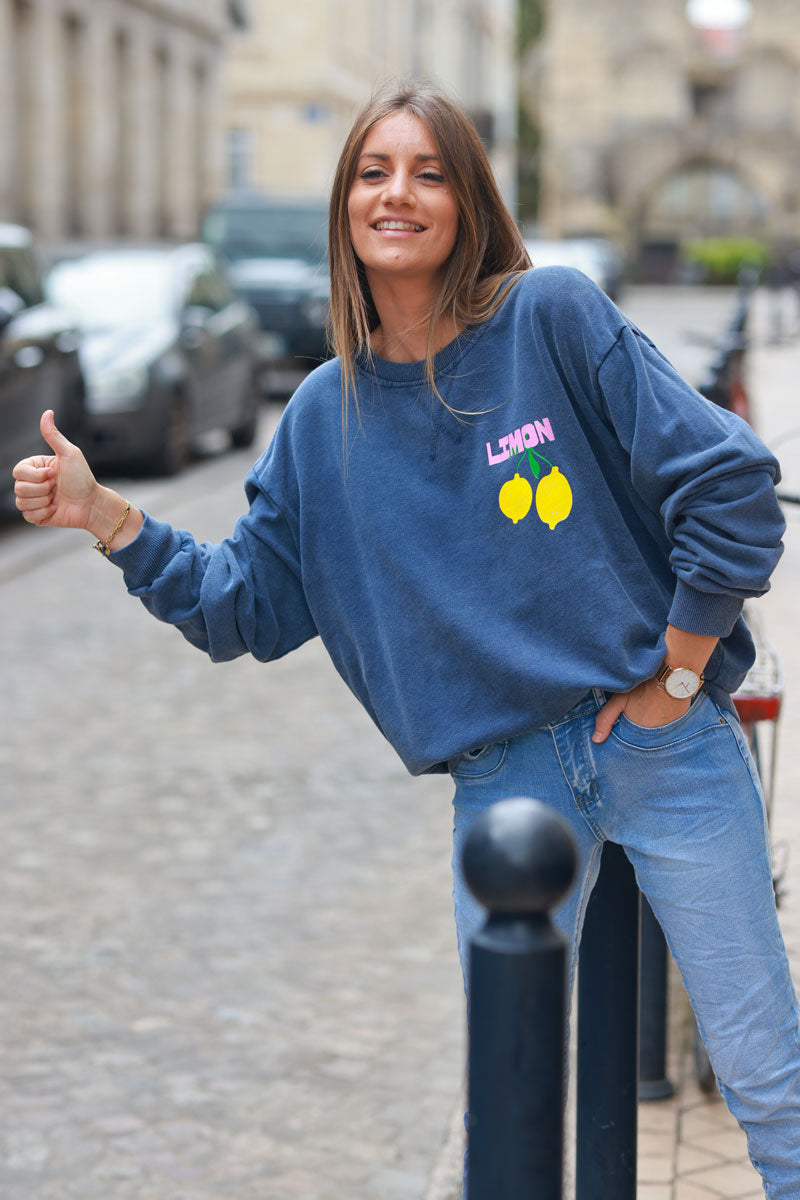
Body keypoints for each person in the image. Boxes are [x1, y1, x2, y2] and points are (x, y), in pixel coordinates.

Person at [13, 79, 800, 1194]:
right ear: (345, 205)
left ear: (466, 201)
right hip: (504, 787)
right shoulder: (323, 419)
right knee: (505, 1112)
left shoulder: (550, 318)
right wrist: (106, 520)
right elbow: (246, 608)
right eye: (373, 173)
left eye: (428, 172)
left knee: (769, 1078)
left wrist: (679, 671)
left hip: (662, 748)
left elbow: (725, 481)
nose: (398, 194)